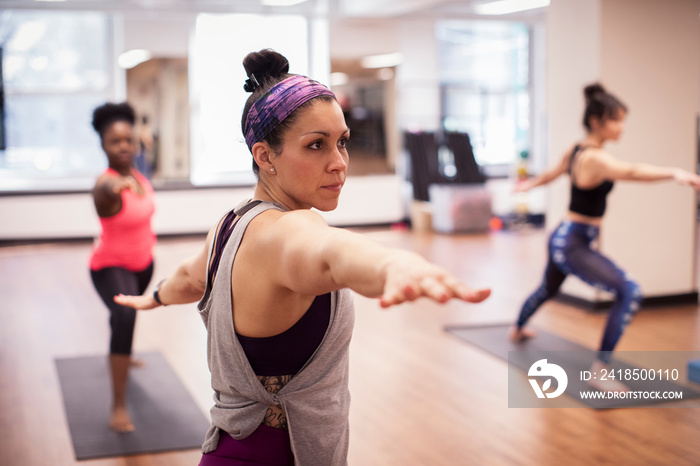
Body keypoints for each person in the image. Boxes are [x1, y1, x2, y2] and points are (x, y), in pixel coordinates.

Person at [114, 49, 491, 465]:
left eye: (342, 142)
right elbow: (333, 254)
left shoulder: (228, 226)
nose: (339, 163)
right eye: (316, 145)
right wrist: (392, 265)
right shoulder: (287, 231)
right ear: (265, 156)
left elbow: (190, 277)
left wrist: (155, 297)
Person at [509, 83, 700, 391]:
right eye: (616, 120)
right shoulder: (596, 159)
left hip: (565, 236)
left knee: (548, 288)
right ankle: (600, 370)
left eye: (623, 120)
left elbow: (552, 173)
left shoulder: (576, 151)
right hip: (572, 243)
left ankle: (517, 328)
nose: (622, 127)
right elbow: (634, 171)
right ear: (597, 121)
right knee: (630, 291)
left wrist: (529, 185)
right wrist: (675, 173)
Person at [89, 102, 157, 432]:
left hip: (143, 265)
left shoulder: (139, 175)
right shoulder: (107, 183)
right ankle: (118, 407)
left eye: (128, 140)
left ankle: (124, 353)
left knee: (125, 318)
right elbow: (104, 193)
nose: (124, 146)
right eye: (115, 142)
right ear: (103, 145)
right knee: (125, 315)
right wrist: (116, 187)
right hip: (111, 267)